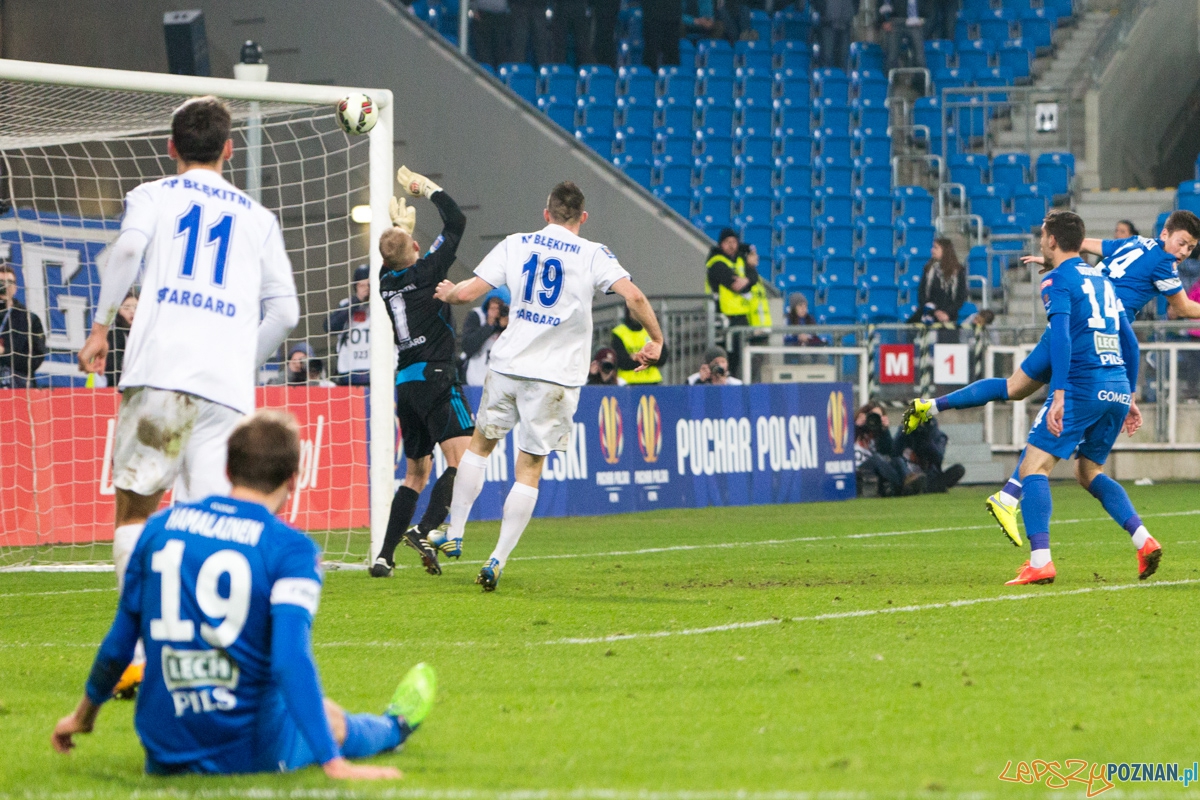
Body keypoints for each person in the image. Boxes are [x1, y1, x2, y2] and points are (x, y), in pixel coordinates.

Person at [51, 411, 435, 780]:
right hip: (249, 748)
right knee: (331, 719)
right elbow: (289, 659)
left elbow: (120, 641)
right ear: (293, 478)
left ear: (227, 470)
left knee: (301, 708)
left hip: (164, 745)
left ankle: (384, 726)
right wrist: (333, 763)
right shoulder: (290, 550)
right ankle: (397, 725)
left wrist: (82, 717)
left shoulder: (159, 527)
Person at [75, 96, 299, 696]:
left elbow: (125, 251)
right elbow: (286, 312)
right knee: (211, 523)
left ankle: (146, 653)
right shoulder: (258, 217)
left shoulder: (155, 195)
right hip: (225, 394)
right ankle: (208, 656)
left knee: (135, 512)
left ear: (171, 148)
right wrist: (237, 360)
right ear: (230, 149)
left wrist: (99, 327)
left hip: (160, 379)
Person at [903, 209, 1200, 544]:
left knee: (1014, 387)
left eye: (1189, 249)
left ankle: (931, 407)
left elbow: (1086, 244)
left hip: (1078, 313)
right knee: (1061, 439)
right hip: (1096, 337)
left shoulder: (1135, 243)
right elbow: (1184, 309)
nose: (1183, 252)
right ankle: (1012, 503)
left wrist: (1057, 256)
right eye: (1182, 243)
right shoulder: (1162, 262)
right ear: (1165, 234)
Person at [434, 181, 664, 591]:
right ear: (583, 217)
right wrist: (656, 338)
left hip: (507, 366)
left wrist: (451, 292)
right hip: (554, 378)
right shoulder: (594, 254)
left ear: (546, 213)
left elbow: (468, 292)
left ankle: (454, 531)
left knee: (480, 446)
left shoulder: (516, 243)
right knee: (529, 469)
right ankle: (495, 561)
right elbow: (635, 298)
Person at [975, 211, 1152, 585]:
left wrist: (1058, 393)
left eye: (1043, 235)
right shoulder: (1102, 280)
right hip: (1117, 385)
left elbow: (1062, 337)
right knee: (1089, 472)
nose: (1041, 240)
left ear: (1052, 241)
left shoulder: (1056, 280)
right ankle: (1143, 540)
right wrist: (1130, 393)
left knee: (1033, 468)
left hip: (1083, 385)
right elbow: (1131, 342)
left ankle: (1040, 560)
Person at [370, 167, 476, 579]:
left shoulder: (384, 281)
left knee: (416, 472)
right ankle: (425, 529)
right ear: (416, 246)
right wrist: (426, 189)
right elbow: (457, 222)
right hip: (435, 376)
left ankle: (383, 556)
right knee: (464, 462)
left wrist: (397, 230)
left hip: (405, 384)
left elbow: (393, 253)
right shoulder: (428, 271)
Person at [705, 227, 771, 379]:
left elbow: (751, 276)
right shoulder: (717, 263)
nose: (732, 245)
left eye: (734, 242)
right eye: (727, 242)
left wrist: (748, 279)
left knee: (745, 360)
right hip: (725, 319)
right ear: (721, 244)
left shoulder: (738, 260)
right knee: (730, 360)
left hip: (742, 317)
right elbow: (735, 285)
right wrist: (748, 281)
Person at [854, 402, 922, 497]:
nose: (874, 420)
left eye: (878, 417)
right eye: (872, 416)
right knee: (876, 458)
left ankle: (908, 479)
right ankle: (903, 487)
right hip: (858, 469)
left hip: (876, 471)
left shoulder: (878, 436)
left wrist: (885, 431)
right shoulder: (853, 431)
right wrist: (857, 425)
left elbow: (890, 452)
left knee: (897, 460)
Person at [0, 262, 47, 388]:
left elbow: (36, 359)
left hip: (18, 388)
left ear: (15, 288)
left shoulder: (30, 319)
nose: (4, 286)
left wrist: (5, 353)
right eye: (1, 282)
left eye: (9, 282)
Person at [325, 264, 371, 386]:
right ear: (355, 287)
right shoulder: (346, 304)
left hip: (377, 369)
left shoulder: (383, 305)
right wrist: (357, 301)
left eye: (368, 284)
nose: (365, 288)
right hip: (349, 370)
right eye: (361, 285)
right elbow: (329, 327)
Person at [908, 238, 966, 326]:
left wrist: (946, 313)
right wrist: (934, 312)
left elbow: (960, 297)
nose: (932, 250)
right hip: (928, 314)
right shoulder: (928, 269)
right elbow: (922, 293)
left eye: (935, 248)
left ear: (945, 250)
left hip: (948, 317)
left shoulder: (958, 271)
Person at [459, 286, 510, 386]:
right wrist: (489, 325)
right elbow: (467, 347)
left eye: (500, 305)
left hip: (500, 382)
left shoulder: (512, 321)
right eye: (493, 303)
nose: (497, 309)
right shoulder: (477, 316)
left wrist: (506, 327)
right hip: (474, 380)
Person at [611, 307, 663, 384]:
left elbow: (662, 357)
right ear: (628, 312)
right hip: (627, 383)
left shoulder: (651, 330)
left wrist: (636, 357)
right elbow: (621, 361)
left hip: (652, 382)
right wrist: (649, 358)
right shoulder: (619, 332)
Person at [878, 0, 926, 76]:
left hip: (916, 22)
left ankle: (920, 84)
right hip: (895, 21)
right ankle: (889, 83)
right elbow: (882, 3)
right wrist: (883, 21)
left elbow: (930, 8)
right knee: (891, 58)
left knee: (919, 59)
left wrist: (924, 21)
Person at [104, 291, 138, 388]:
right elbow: (112, 371)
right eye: (126, 307)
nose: (132, 311)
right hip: (118, 392)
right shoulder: (115, 335)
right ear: (117, 311)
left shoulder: (147, 336)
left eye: (136, 307)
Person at [816, 0, 857, 70]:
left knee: (842, 60)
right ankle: (826, 79)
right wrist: (823, 10)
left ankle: (839, 79)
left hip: (845, 24)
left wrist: (853, 10)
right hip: (827, 24)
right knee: (827, 58)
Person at [642, 0, 682, 70]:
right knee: (652, 53)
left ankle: (672, 77)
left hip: (672, 15)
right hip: (652, 15)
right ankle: (649, 77)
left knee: (672, 53)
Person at [471, 0, 512, 68]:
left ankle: (501, 74)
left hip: (502, 16)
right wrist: (473, 9)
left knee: (501, 50)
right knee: (483, 52)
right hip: (482, 15)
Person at [552, 0, 593, 65]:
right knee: (559, 43)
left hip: (578, 6)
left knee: (582, 45)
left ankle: (586, 70)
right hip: (561, 6)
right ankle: (557, 71)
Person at [510, 0, 551, 65]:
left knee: (542, 44)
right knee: (518, 43)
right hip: (519, 6)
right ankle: (517, 72)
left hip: (539, 6)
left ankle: (546, 72)